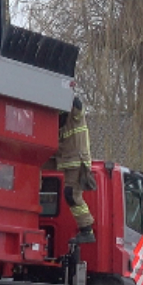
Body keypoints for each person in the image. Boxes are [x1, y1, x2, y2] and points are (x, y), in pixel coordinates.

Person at [56, 97, 97, 245]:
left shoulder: (75, 114)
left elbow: (77, 105)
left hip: (77, 160)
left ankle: (86, 230)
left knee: (71, 194)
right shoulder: (57, 117)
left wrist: (67, 90)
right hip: (64, 159)